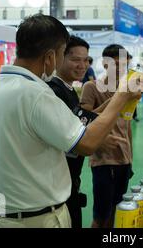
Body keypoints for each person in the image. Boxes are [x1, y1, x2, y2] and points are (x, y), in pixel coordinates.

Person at [0, 14, 142, 228]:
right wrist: (122, 95)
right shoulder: (37, 95)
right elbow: (87, 143)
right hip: (35, 219)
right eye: (63, 54)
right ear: (51, 57)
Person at [80, 44, 135, 228]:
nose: (120, 70)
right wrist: (116, 99)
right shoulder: (91, 87)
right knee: (101, 216)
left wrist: (130, 158)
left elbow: (126, 126)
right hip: (103, 161)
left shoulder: (127, 91)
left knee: (116, 211)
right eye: (116, 65)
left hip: (123, 160)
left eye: (124, 65)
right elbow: (82, 122)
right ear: (104, 64)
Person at [46, 35, 90, 228]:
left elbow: (80, 120)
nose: (82, 65)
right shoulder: (53, 92)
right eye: (75, 59)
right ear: (57, 58)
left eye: (86, 60)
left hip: (71, 180)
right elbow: (78, 140)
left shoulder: (69, 90)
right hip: (58, 186)